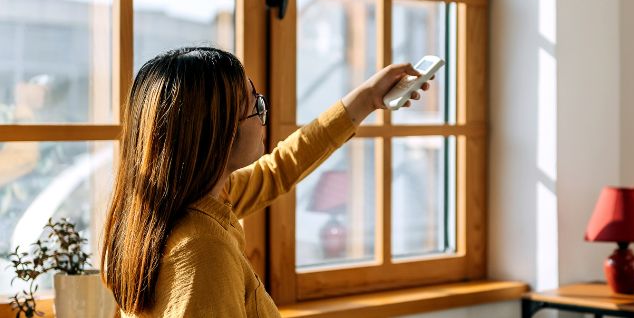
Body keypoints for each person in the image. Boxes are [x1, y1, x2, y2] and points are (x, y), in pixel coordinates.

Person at [100, 47, 429, 317]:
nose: (263, 117)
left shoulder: (187, 204)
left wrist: (368, 98)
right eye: (255, 105)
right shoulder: (202, 252)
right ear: (219, 132)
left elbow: (281, 168)